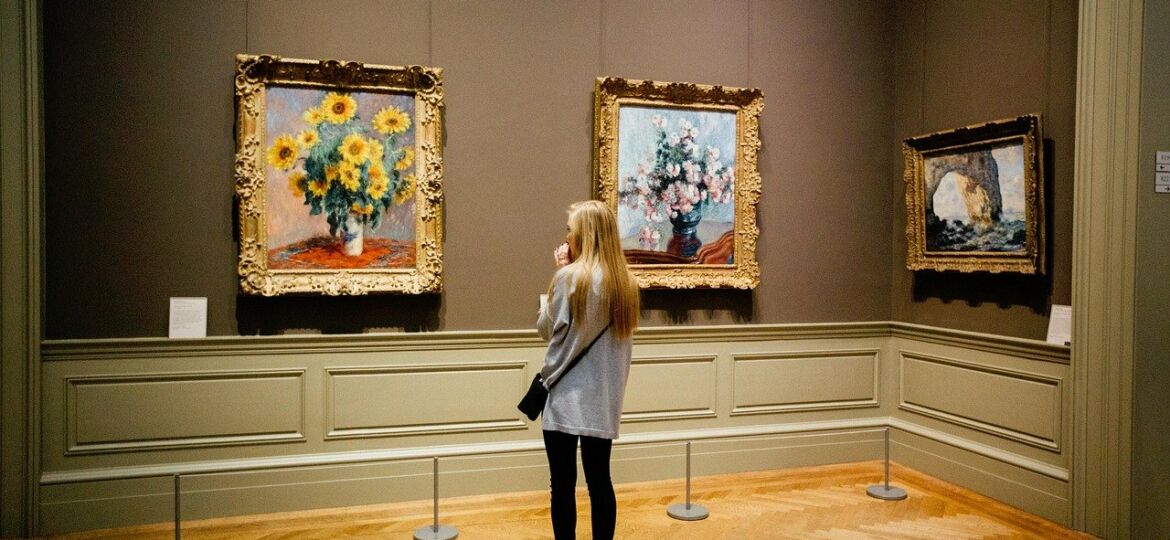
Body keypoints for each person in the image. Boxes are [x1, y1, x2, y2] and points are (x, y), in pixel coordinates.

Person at [537, 200, 640, 540]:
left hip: (565, 394)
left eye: (571, 230)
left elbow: (546, 329)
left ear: (585, 235)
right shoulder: (626, 284)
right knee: (600, 481)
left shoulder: (569, 278)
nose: (567, 236)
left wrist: (559, 272)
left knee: (562, 484)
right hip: (604, 396)